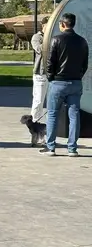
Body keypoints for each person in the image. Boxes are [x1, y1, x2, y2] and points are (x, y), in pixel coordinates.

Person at [42, 12, 89, 156]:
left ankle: (50, 147)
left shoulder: (56, 40)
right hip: (75, 82)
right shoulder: (82, 41)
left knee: (52, 114)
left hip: (58, 82)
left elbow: (50, 62)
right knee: (74, 115)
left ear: (63, 24)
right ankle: (72, 148)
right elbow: (85, 64)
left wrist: (51, 77)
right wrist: (78, 76)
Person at [24, 16, 50, 141]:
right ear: (43, 25)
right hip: (41, 73)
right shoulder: (37, 37)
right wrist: (49, 40)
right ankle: (34, 128)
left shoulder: (54, 37)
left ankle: (46, 132)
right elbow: (40, 49)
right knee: (38, 101)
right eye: (48, 25)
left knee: (51, 104)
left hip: (52, 73)